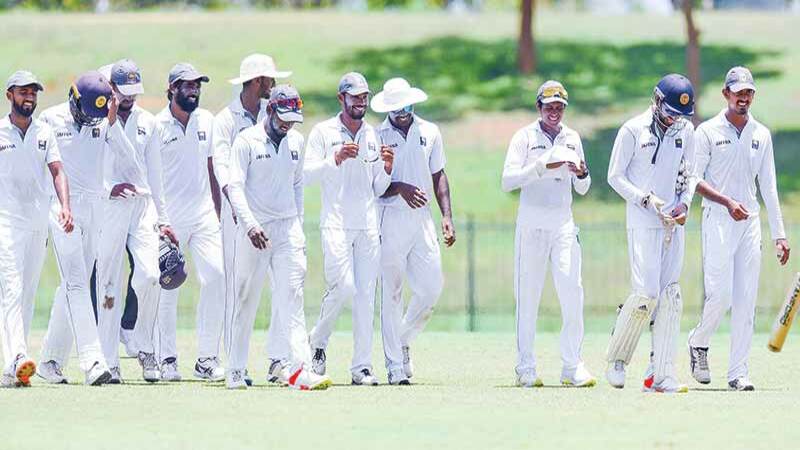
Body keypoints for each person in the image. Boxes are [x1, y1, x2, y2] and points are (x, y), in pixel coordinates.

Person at [687, 67, 790, 391]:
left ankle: (738, 372)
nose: (743, 98)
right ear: (726, 94)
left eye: (748, 92)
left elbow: (769, 187)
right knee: (720, 296)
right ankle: (698, 341)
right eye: (738, 92)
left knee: (746, 300)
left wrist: (779, 235)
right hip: (718, 218)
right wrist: (727, 202)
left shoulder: (761, 134)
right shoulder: (706, 131)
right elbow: (693, 179)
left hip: (749, 223)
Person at [225, 84, 331, 390]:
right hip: (255, 232)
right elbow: (234, 186)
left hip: (287, 230)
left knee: (292, 298)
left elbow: (297, 184)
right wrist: (250, 225)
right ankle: (235, 369)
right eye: (283, 118)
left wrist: (297, 224)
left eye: (293, 120)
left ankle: (301, 370)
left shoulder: (296, 141)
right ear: (269, 110)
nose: (288, 125)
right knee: (246, 299)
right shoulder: (246, 141)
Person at [605, 73, 696, 394]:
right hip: (643, 220)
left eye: (680, 115)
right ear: (657, 101)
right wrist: (644, 199)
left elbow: (690, 175)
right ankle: (617, 360)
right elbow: (614, 176)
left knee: (670, 295)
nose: (674, 120)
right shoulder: (632, 130)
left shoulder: (686, 131)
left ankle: (661, 374)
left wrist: (685, 204)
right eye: (670, 112)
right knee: (646, 293)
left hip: (673, 223)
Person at [37, 71, 128, 386]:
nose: (90, 121)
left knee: (72, 284)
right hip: (63, 207)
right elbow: (41, 168)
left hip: (95, 208)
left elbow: (125, 156)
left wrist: (112, 122)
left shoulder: (102, 119)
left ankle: (50, 361)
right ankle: (93, 362)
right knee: (77, 283)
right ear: (73, 99)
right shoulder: (49, 120)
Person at [501, 80, 595, 388]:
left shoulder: (572, 138)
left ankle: (572, 365)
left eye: (559, 108)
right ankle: (525, 367)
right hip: (531, 225)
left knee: (572, 292)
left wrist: (582, 173)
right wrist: (541, 166)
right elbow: (507, 181)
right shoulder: (524, 137)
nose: (554, 113)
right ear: (538, 107)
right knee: (528, 297)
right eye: (549, 107)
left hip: (563, 225)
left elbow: (583, 188)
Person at [305, 72, 393, 386]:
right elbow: (306, 175)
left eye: (364, 97)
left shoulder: (373, 134)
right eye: (355, 97)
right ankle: (317, 341)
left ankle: (362, 367)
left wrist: (387, 169)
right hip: (336, 223)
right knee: (343, 287)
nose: (361, 102)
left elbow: (378, 187)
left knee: (366, 295)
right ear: (341, 98)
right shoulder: (323, 132)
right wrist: (336, 157)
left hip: (367, 224)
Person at [94, 59, 174, 383]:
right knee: (108, 284)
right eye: (123, 91)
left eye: (133, 92)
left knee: (150, 275)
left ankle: (144, 345)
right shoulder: (96, 120)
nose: (129, 98)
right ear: (111, 88)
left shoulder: (148, 122)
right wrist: (106, 189)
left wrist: (164, 219)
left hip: (142, 205)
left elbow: (155, 176)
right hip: (110, 206)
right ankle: (108, 360)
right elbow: (87, 168)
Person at [371, 78, 455, 385]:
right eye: (396, 109)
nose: (403, 113)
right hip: (389, 217)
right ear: (388, 109)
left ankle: (403, 339)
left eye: (407, 107)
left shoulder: (430, 131)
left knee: (431, 287)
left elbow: (439, 174)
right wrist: (399, 188)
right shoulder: (376, 135)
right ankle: (394, 365)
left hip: (422, 219)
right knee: (392, 293)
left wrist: (447, 216)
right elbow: (373, 185)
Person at [214, 54, 291, 386]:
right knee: (240, 289)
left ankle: (278, 360)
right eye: (270, 79)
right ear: (258, 81)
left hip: (275, 217)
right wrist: (238, 210)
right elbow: (221, 167)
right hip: (238, 215)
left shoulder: (273, 111)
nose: (274, 84)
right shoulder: (225, 120)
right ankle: (237, 364)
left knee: (284, 287)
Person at [0, 71, 72, 387]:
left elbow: (57, 171)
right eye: (23, 92)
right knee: (12, 289)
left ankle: (12, 370)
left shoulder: (44, 131)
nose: (29, 97)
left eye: (33, 92)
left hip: (37, 223)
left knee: (27, 293)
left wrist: (65, 206)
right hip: (6, 222)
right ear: (9, 95)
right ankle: (18, 355)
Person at [153, 63, 225, 382]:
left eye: (197, 85)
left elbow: (212, 169)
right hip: (169, 219)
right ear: (172, 89)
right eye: (187, 85)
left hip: (204, 214)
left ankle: (207, 359)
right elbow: (151, 176)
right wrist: (158, 221)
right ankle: (166, 359)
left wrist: (220, 213)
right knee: (169, 286)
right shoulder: (156, 126)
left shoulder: (207, 120)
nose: (194, 90)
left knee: (217, 276)